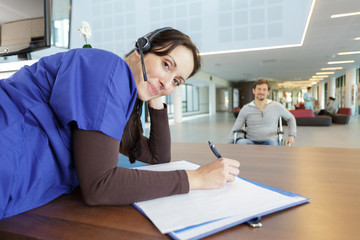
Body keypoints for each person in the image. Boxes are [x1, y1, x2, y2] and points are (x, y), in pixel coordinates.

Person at [0, 28, 240, 220]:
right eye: (166, 64)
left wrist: (156, 94)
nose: (168, 82)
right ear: (140, 50)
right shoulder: (108, 69)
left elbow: (158, 156)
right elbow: (100, 186)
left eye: (177, 81)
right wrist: (195, 178)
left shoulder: (121, 101)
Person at [227, 79, 296, 145]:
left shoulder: (276, 106)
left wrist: (291, 135)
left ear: (268, 92)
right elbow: (236, 128)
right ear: (254, 91)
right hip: (251, 141)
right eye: (259, 89)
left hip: (270, 141)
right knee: (241, 142)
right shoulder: (246, 108)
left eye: (264, 89)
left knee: (271, 141)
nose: (261, 92)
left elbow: (290, 118)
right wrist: (229, 144)